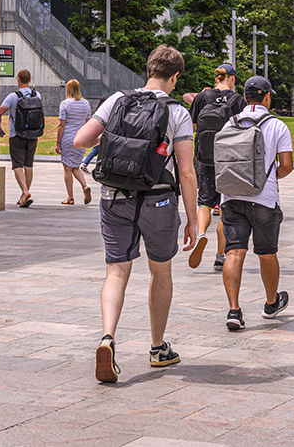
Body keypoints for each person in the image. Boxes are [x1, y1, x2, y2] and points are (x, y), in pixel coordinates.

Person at [72, 45, 198, 384]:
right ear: (175, 77)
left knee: (116, 271)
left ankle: (107, 338)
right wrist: (192, 219)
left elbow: (80, 141)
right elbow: (186, 172)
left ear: (147, 70)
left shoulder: (116, 100)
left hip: (115, 197)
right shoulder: (177, 112)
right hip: (158, 200)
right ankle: (158, 348)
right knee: (160, 270)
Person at [220, 75, 294, 331]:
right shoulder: (277, 126)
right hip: (263, 199)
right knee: (267, 253)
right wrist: (267, 178)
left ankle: (234, 309)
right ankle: (271, 303)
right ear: (267, 97)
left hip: (231, 196)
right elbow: (286, 166)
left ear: (244, 98)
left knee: (234, 252)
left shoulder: (229, 123)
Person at [189, 63, 245, 270]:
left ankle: (201, 234)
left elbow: (192, 126)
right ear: (231, 78)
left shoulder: (202, 98)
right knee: (224, 207)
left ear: (216, 78)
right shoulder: (238, 100)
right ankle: (220, 255)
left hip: (204, 158)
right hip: (227, 161)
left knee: (204, 202)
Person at [0, 69, 39, 208]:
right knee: (28, 165)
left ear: (18, 80)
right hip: (33, 135)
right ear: (30, 80)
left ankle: (25, 192)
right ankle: (24, 195)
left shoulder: (13, 96)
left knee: (17, 165)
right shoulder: (36, 94)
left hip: (17, 135)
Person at [56, 79, 92, 205]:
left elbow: (61, 125)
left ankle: (70, 197)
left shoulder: (65, 104)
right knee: (76, 166)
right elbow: (88, 123)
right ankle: (85, 186)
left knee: (67, 169)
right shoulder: (86, 104)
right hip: (81, 139)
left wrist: (57, 142)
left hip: (67, 139)